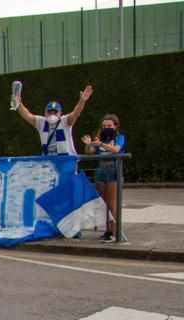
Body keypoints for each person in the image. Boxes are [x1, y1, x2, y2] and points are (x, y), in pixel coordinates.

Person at [82, 114, 126, 242]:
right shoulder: (100, 138)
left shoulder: (119, 137)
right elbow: (90, 151)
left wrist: (100, 143)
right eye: (104, 126)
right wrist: (89, 144)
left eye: (109, 126)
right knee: (103, 203)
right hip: (101, 170)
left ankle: (113, 231)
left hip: (113, 170)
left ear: (115, 126)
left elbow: (115, 149)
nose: (106, 128)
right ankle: (107, 230)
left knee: (112, 203)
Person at [14, 85, 93, 156]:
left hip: (65, 160)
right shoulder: (41, 122)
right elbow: (27, 115)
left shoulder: (65, 121)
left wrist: (82, 101)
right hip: (49, 161)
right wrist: (18, 103)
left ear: (60, 113)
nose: (52, 114)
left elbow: (76, 113)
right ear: (45, 113)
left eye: (55, 112)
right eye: (49, 112)